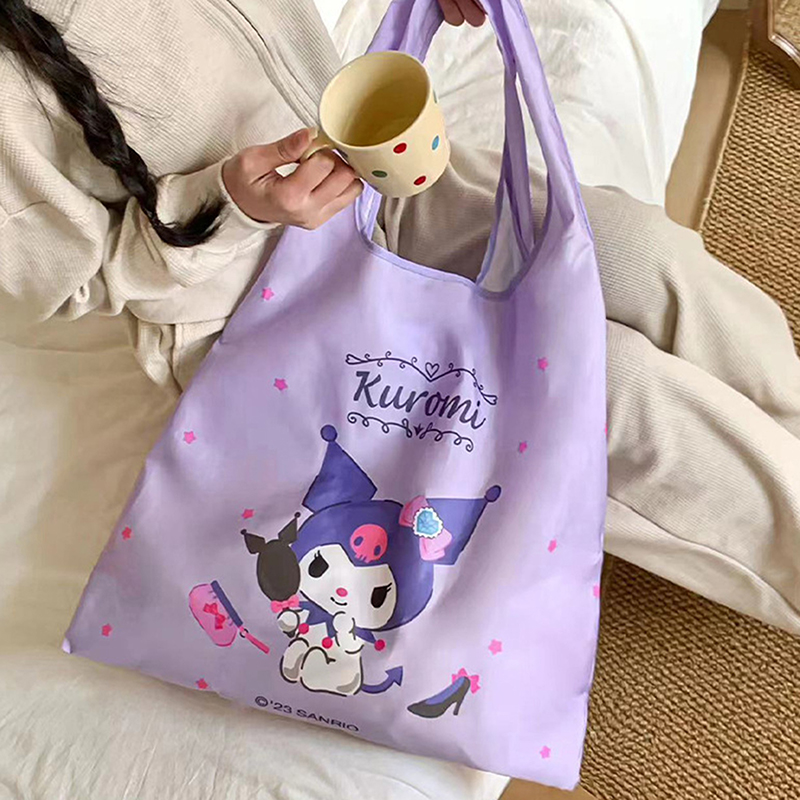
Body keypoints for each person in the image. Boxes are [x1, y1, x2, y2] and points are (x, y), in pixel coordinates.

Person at [1, 0, 800, 643]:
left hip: (369, 178)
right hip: (251, 311)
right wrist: (230, 206)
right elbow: (76, 283)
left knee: (640, 253)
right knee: (607, 393)